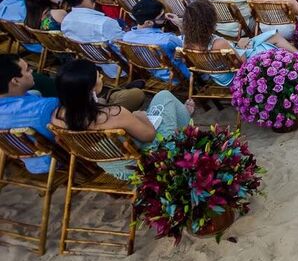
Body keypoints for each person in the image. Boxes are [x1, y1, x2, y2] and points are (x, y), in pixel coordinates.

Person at [50, 60, 192, 180]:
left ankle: (184, 120)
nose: (101, 77)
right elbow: (150, 135)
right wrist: (139, 116)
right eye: (98, 76)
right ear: (91, 88)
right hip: (144, 162)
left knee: (158, 110)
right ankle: (188, 136)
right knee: (164, 96)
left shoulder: (57, 117)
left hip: (114, 168)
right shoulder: (113, 114)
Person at [180, 0, 298, 86]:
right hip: (235, 74)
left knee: (271, 36)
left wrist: (240, 44)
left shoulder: (188, 42)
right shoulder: (218, 44)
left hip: (219, 75)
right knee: (272, 42)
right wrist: (242, 45)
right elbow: (242, 63)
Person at [58, 0, 124, 79]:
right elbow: (123, 49)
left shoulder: (66, 21)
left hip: (90, 67)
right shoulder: (105, 23)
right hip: (117, 69)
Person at [120, 0, 188, 80]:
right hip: (179, 74)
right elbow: (188, 49)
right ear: (148, 23)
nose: (165, 17)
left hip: (153, 74)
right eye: (162, 16)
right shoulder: (167, 39)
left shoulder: (126, 37)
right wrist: (181, 26)